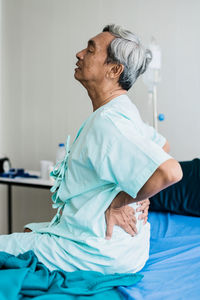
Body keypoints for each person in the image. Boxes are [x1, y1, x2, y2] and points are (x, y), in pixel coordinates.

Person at [0, 24, 182, 274]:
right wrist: (143, 194)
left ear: (114, 70)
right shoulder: (122, 108)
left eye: (90, 50)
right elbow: (163, 145)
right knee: (30, 230)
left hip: (94, 251)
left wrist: (121, 202)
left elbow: (170, 171)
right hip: (127, 249)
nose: (79, 54)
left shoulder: (108, 122)